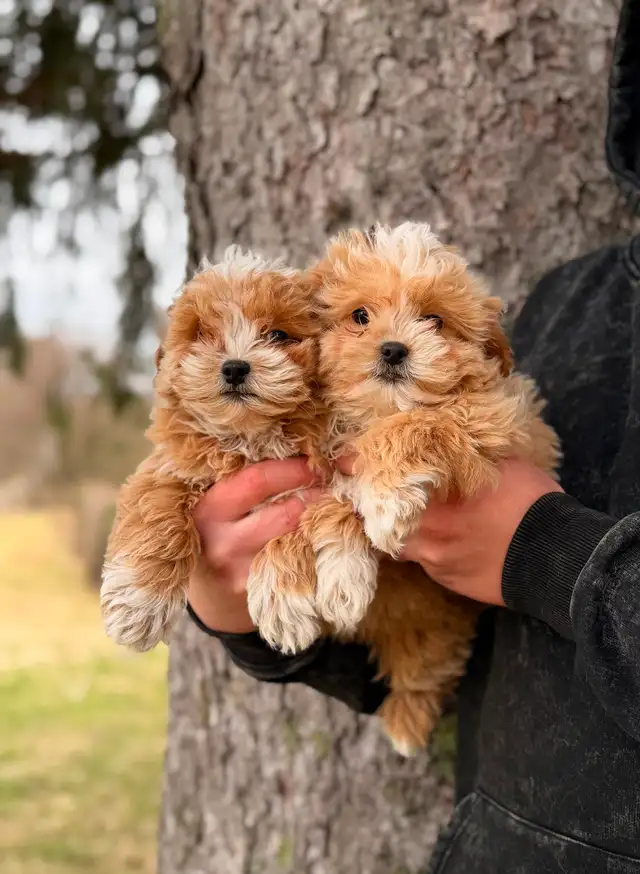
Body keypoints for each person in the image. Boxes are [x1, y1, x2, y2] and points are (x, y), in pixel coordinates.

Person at [186, 2, 640, 870]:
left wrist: (545, 549)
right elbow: (460, 619)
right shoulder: (566, 304)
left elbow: (519, 556)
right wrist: (244, 610)